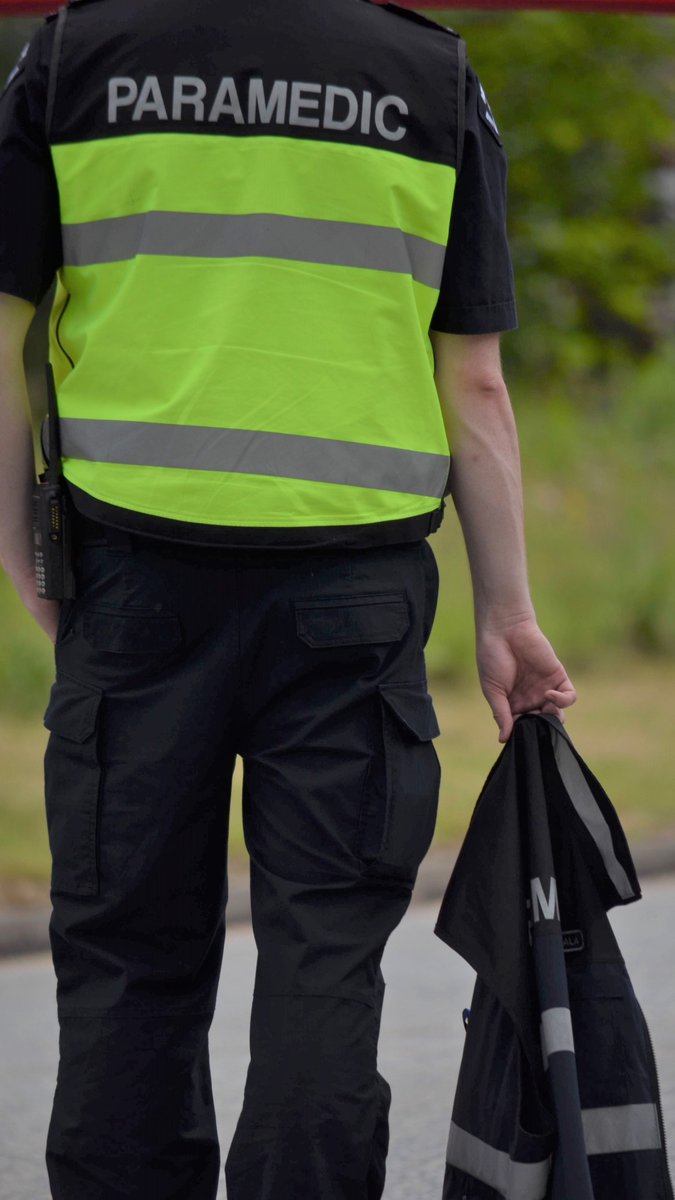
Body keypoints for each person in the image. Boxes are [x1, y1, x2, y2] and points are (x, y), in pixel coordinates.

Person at [0, 1, 576, 1197]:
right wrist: (507, 613)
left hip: (135, 584)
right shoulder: (429, 75)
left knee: (126, 959)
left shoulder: (73, 57)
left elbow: (2, 335)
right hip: (353, 602)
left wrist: (27, 554)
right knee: (326, 959)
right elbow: (473, 379)